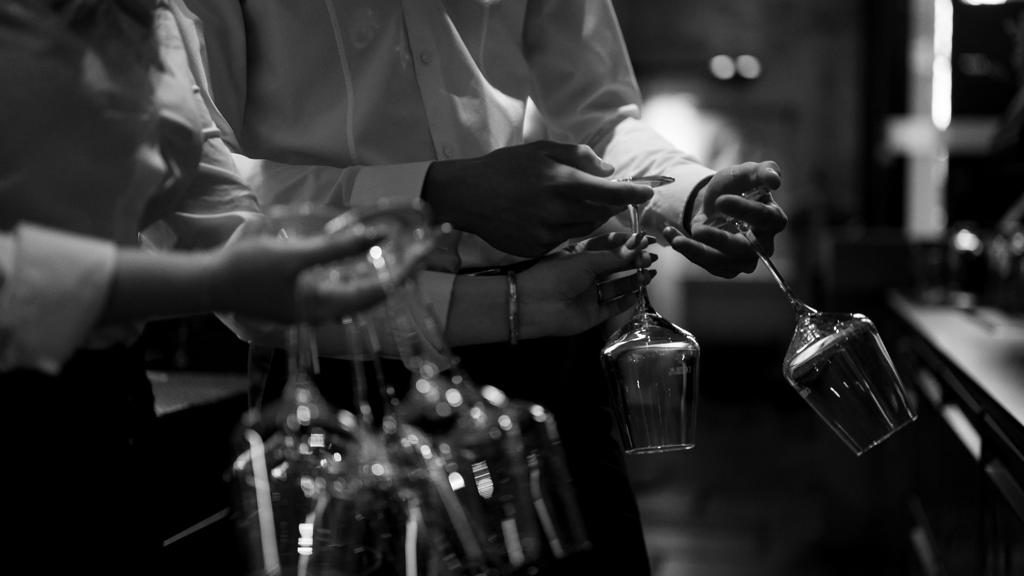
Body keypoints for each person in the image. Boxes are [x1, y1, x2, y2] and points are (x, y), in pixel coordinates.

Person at [182, 1, 789, 574]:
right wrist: (432, 190)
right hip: (336, 368)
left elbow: (598, 118)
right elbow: (201, 181)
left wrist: (687, 194)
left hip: (551, 343)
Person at [0, 1, 426, 573]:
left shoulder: (151, 11)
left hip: (104, 399)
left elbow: (205, 194)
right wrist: (215, 283)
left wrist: (298, 266)